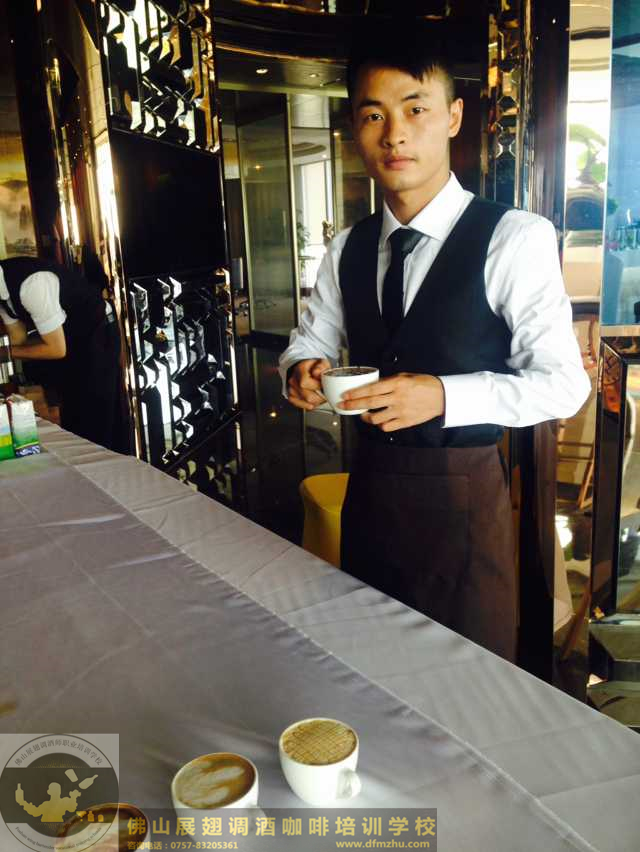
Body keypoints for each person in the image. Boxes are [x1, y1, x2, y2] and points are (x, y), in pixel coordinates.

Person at [279, 18, 590, 662]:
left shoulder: (514, 237)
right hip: (369, 494)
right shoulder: (347, 248)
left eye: (414, 109)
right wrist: (301, 369)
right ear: (355, 129)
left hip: (464, 506)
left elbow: (563, 385)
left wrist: (445, 396)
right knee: (369, 670)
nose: (394, 134)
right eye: (373, 115)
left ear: (452, 117)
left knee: (465, 685)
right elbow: (309, 339)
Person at [0, 255, 131, 453]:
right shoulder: (3, 294)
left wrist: (5, 353)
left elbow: (56, 349)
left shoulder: (32, 285)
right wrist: (6, 354)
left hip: (97, 332)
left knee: (97, 417)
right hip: (72, 339)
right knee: (73, 415)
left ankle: (105, 466)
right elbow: (18, 339)